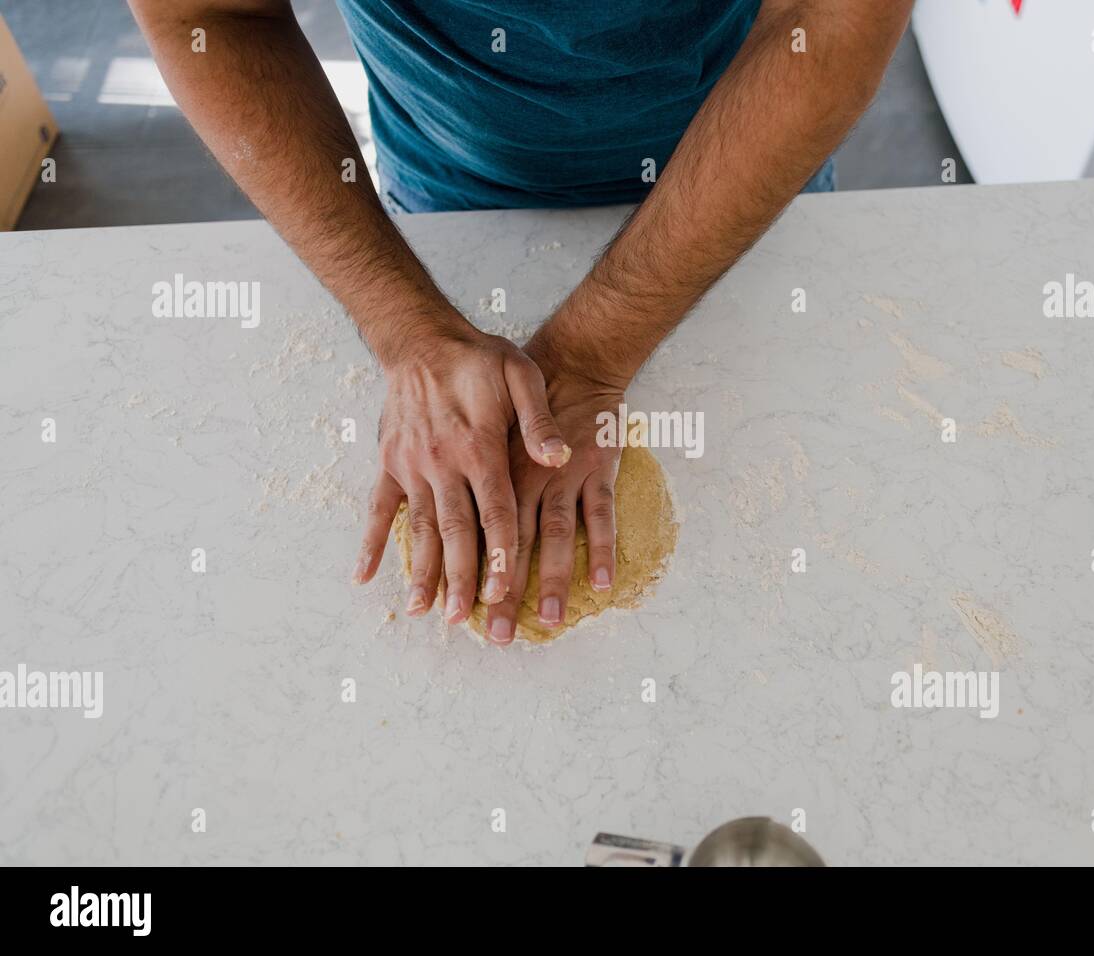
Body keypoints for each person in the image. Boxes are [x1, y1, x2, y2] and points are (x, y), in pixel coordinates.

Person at [130, 0, 912, 644]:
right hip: (450, 191)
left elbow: (832, 22)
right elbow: (213, 16)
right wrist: (403, 324)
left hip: (745, 172)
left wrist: (595, 349)